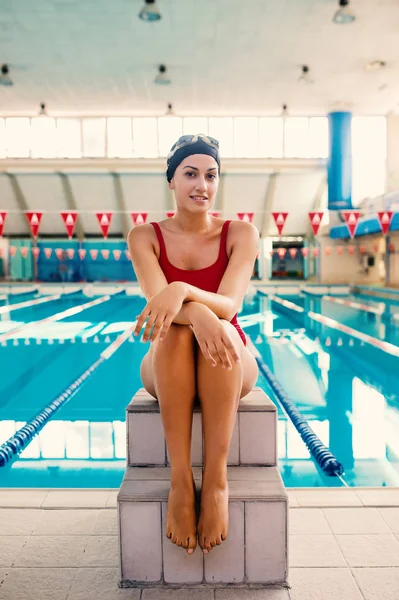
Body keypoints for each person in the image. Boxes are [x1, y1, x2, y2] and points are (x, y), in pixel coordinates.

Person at [127, 134, 259, 556]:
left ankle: (216, 481)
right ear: (172, 180)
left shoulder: (240, 233)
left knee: (217, 333)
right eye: (190, 174)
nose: (201, 184)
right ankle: (181, 481)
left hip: (228, 351)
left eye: (211, 175)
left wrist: (183, 288)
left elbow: (231, 305)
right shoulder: (144, 236)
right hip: (166, 356)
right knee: (177, 333)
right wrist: (199, 312)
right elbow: (157, 308)